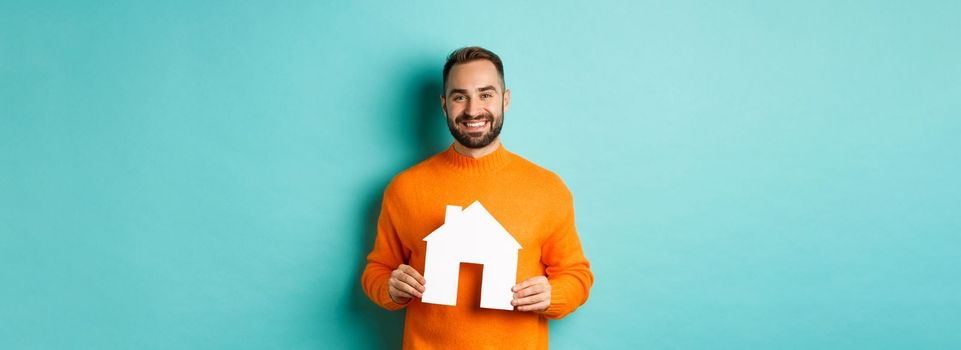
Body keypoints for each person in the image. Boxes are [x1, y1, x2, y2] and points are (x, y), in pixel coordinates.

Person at [361, 46, 593, 349]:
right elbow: (377, 270)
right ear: (444, 105)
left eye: (486, 95)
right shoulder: (405, 188)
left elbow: (577, 275)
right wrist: (389, 288)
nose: (473, 110)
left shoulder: (547, 188)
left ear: (505, 100)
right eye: (460, 96)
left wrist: (554, 295)